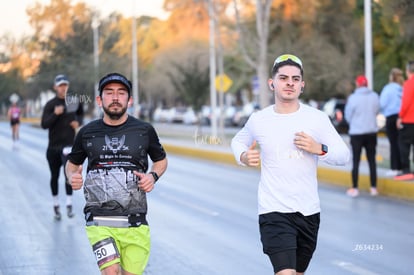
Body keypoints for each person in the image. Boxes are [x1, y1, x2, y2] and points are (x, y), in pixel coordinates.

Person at [231, 54, 350, 275]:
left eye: (295, 79)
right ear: (272, 83)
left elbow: (344, 155)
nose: (289, 83)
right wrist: (243, 157)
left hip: (309, 212)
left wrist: (319, 148)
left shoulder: (317, 118)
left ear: (302, 85)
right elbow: (238, 141)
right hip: (273, 211)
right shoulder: (260, 119)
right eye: (283, 77)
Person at [65, 72, 168, 275]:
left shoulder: (144, 130)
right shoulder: (86, 133)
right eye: (109, 92)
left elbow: (161, 160)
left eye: (121, 93)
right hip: (99, 219)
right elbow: (71, 164)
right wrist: (71, 177)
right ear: (99, 99)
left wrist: (152, 176)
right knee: (111, 271)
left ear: (129, 100)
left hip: (135, 221)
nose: (115, 98)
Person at [41, 74, 84, 220]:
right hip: (53, 147)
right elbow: (44, 124)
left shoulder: (73, 101)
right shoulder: (50, 104)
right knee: (54, 176)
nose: (63, 87)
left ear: (68, 86)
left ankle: (69, 204)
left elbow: (80, 115)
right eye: (60, 85)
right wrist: (55, 114)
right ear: (55, 87)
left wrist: (78, 122)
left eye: (65, 84)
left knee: (69, 176)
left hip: (68, 146)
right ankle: (56, 205)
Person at [344, 75, 380, 197]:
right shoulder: (375, 96)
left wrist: (355, 123)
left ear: (358, 84)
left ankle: (355, 188)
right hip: (371, 132)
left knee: (356, 161)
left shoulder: (353, 98)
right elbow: (377, 110)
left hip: (357, 133)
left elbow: (348, 115)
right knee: (372, 161)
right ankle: (373, 188)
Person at [379, 68, 404, 176]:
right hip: (402, 118)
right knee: (402, 144)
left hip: (391, 118)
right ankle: (402, 167)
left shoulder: (388, 88)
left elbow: (382, 103)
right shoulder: (402, 88)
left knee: (393, 143)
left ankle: (395, 168)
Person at [395, 61, 414, 181]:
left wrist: (400, 117)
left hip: (409, 120)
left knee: (404, 145)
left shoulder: (408, 84)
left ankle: (406, 170)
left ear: (408, 71)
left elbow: (405, 102)